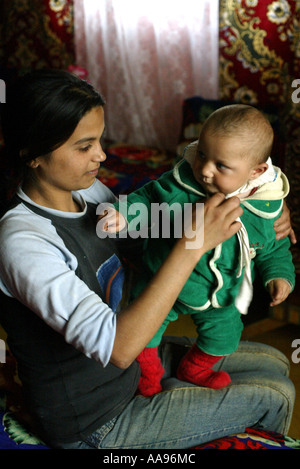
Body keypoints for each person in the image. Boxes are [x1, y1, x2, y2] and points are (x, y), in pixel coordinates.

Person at [0, 70, 296, 450]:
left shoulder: (87, 193)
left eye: (100, 140)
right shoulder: (23, 242)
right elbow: (119, 349)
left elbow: (158, 218)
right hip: (95, 418)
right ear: (32, 154)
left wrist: (258, 206)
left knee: (273, 363)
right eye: (84, 146)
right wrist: (193, 245)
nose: (101, 156)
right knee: (276, 394)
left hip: (124, 373)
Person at [98, 104, 295, 396]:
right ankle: (148, 375)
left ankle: (196, 368)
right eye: (202, 154)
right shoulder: (182, 185)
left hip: (220, 293)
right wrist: (124, 214)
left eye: (221, 166)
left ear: (256, 171)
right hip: (163, 279)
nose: (204, 170)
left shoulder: (265, 205)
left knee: (225, 336)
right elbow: (150, 200)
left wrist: (279, 275)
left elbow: (274, 246)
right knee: (146, 331)